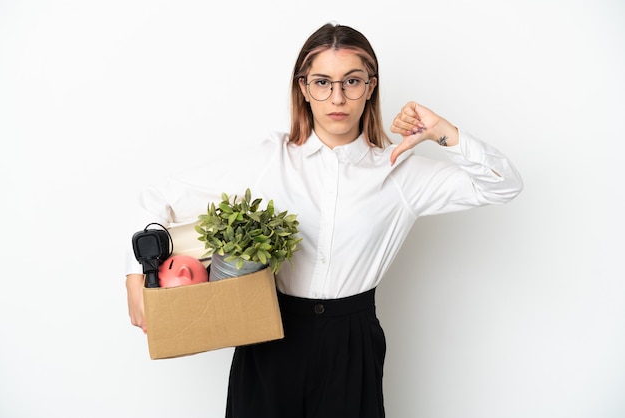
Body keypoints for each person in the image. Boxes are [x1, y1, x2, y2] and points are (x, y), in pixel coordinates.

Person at [125, 22, 523, 418]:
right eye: (322, 82)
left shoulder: (400, 172)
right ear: (303, 88)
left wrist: (441, 132)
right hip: (268, 335)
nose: (337, 97)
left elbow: (503, 185)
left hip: (352, 344)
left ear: (371, 87)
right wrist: (136, 280)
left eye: (352, 81)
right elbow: (160, 199)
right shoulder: (269, 161)